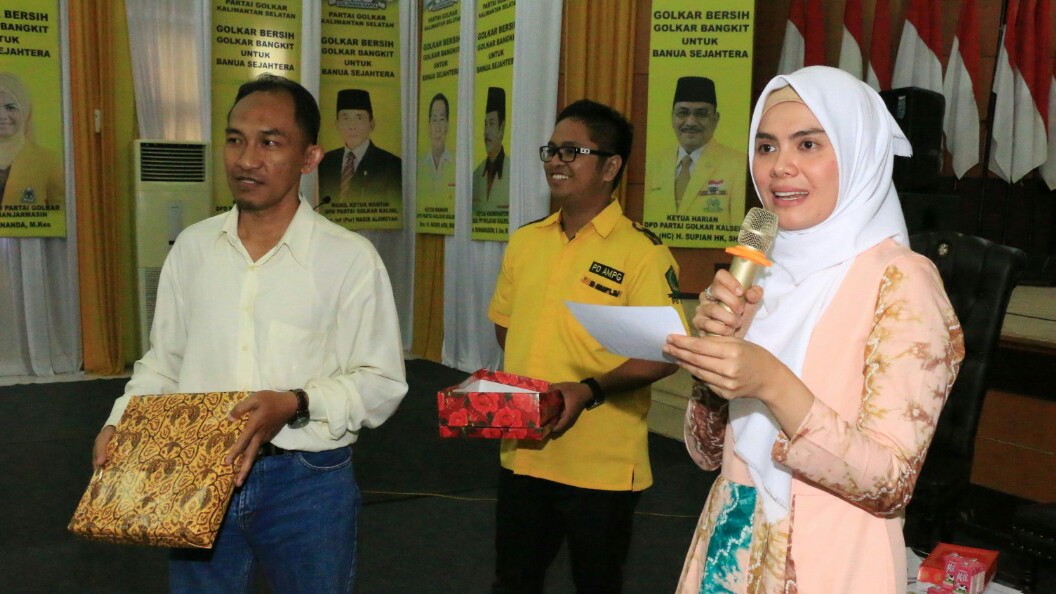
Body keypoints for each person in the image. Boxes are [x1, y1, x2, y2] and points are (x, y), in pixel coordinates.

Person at [92, 74, 407, 593]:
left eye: (270, 142)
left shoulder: (350, 258)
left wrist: (295, 402)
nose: (246, 159)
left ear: (310, 157)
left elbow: (381, 381)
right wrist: (121, 422)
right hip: (196, 468)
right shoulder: (193, 248)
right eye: (235, 140)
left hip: (307, 481)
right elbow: (164, 363)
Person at [662, 66, 964, 593]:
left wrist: (771, 383)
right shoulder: (759, 271)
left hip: (829, 557)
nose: (781, 167)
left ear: (858, 151)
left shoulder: (901, 281)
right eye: (766, 147)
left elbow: (890, 484)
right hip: (733, 539)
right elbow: (706, 451)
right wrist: (715, 360)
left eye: (807, 144)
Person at [488, 99, 685, 593]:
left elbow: (665, 354)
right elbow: (507, 328)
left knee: (597, 583)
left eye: (572, 151)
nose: (556, 161)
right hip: (525, 451)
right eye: (552, 150)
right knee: (513, 581)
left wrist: (588, 389)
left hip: (602, 466)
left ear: (610, 167)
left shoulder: (642, 252)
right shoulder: (526, 241)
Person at [648, 76, 743, 220]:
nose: (691, 122)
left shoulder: (738, 166)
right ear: (672, 117)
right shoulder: (654, 164)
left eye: (701, 114)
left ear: (715, 119)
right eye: (682, 113)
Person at [318, 88, 402, 205]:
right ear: (337, 124)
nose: (352, 126)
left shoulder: (392, 165)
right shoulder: (324, 162)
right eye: (345, 118)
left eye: (359, 118)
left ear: (371, 124)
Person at [0, 72, 64, 208]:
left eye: (10, 107)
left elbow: (60, 213)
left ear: (25, 110)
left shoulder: (47, 161)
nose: (2, 115)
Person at [473, 86, 509, 213]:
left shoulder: (512, 173)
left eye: (492, 124)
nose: (486, 131)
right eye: (485, 124)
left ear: (502, 128)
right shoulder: (477, 174)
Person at [416, 92, 454, 206]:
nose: (437, 128)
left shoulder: (457, 165)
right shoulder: (419, 166)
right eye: (434, 120)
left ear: (447, 124)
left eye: (441, 119)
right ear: (429, 125)